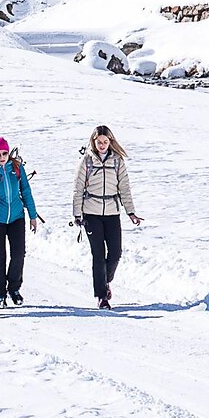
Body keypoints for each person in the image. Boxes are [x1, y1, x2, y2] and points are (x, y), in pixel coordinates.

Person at [72, 125, 142, 308]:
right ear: (93, 142)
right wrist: (77, 214)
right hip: (91, 213)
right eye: (99, 142)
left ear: (110, 142)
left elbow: (124, 188)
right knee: (98, 254)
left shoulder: (117, 161)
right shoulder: (86, 161)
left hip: (112, 211)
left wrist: (131, 212)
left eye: (105, 142)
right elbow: (78, 189)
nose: (102, 145)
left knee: (116, 253)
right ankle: (102, 296)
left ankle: (106, 280)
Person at [0, 135, 39, 307]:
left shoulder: (17, 168)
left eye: (4, 153)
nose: (2, 157)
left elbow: (26, 191)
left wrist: (32, 215)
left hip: (17, 217)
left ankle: (14, 288)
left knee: (18, 255)